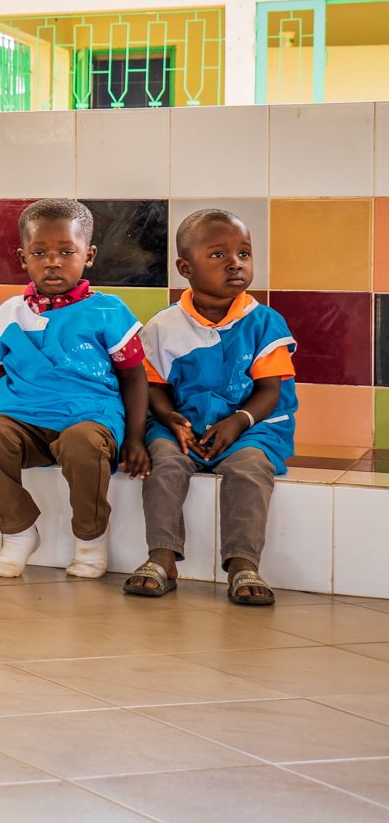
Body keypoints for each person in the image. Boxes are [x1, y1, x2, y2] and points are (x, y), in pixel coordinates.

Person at [0, 198, 149, 580]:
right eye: (39, 252)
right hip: (27, 420)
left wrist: (135, 438)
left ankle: (90, 539)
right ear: (23, 258)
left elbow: (134, 378)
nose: (53, 261)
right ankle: (17, 533)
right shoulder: (6, 316)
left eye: (67, 251)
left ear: (89, 256)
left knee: (81, 443)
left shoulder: (109, 312)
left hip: (90, 418)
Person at [123, 208, 295, 607]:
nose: (236, 263)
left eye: (244, 254)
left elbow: (270, 391)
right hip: (182, 425)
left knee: (250, 467)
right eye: (218, 255)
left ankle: (242, 564)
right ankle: (161, 558)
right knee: (163, 460)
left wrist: (239, 422)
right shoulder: (164, 326)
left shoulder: (265, 322)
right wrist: (169, 419)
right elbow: (152, 386)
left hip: (252, 426)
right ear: (186, 267)